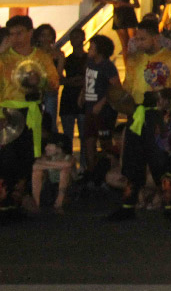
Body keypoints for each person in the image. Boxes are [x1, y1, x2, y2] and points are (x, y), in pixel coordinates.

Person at [107, 18, 171, 221]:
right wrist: (120, 99)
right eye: (137, 38)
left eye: (143, 39)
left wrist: (169, 101)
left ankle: (169, 206)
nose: (139, 42)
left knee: (162, 161)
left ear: (155, 37)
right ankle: (128, 205)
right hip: (137, 115)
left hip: (159, 116)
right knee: (132, 161)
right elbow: (129, 87)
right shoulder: (134, 60)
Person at [0, 15, 61, 213]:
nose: (16, 38)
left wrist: (39, 81)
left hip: (32, 111)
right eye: (12, 34)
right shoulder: (4, 56)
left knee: (26, 158)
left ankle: (18, 200)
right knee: (6, 158)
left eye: (19, 33)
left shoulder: (41, 56)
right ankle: (5, 201)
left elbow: (54, 83)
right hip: (7, 112)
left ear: (30, 33)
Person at [80, 35, 120, 176]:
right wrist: (82, 94)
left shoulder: (108, 67)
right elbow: (87, 79)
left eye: (92, 47)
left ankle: (108, 170)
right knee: (89, 140)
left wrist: (102, 103)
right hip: (90, 106)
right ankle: (91, 171)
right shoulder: (90, 63)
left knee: (105, 141)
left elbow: (115, 87)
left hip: (104, 111)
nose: (89, 50)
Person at [58, 28, 88, 157]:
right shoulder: (67, 59)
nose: (75, 40)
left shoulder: (88, 58)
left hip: (83, 97)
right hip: (69, 97)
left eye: (77, 37)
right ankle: (68, 162)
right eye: (73, 37)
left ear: (83, 38)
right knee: (67, 135)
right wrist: (70, 81)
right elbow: (59, 78)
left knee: (84, 135)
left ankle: (84, 163)